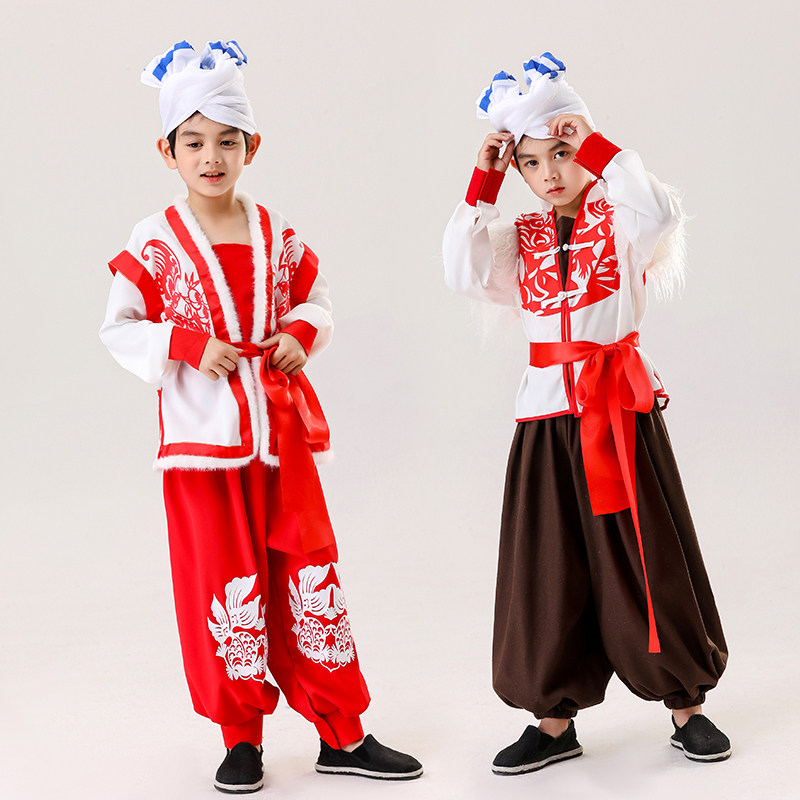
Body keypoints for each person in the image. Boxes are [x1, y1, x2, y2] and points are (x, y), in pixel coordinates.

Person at [100, 40, 422, 794]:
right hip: (203, 450)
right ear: (167, 151)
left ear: (252, 147)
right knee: (224, 585)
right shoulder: (154, 240)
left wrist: (301, 332)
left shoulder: (277, 232)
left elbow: (316, 298)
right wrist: (185, 343)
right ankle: (240, 737)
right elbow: (119, 327)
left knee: (309, 577)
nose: (210, 157)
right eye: (193, 142)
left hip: (281, 439)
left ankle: (342, 733)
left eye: (226, 141)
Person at [443, 52, 730, 774]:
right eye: (531, 162)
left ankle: (686, 705)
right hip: (546, 420)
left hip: (620, 411)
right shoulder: (522, 238)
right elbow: (462, 271)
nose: (549, 173)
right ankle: (552, 720)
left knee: (645, 554)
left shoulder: (620, 221)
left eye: (562, 153)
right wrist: (482, 181)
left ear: (585, 148)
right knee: (550, 564)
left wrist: (597, 146)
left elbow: (659, 211)